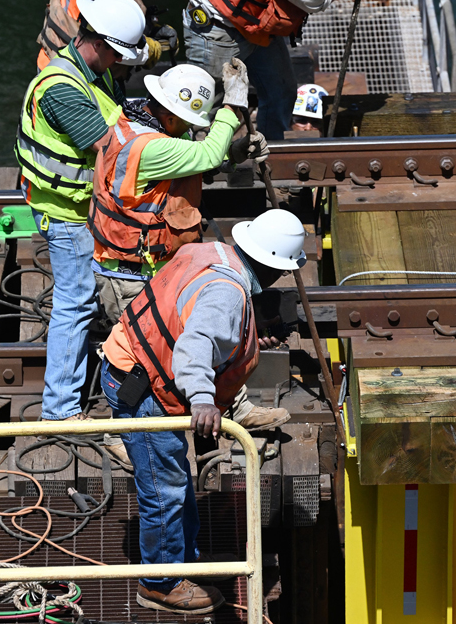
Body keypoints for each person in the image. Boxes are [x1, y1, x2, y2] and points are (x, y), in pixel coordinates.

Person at [99, 208, 307, 614]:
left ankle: (182, 562)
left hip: (135, 364)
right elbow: (193, 347)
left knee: (174, 475)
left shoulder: (211, 252)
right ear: (273, 267)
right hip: (143, 384)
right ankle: (160, 584)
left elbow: (189, 315)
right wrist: (203, 400)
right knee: (164, 487)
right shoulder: (227, 293)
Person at [90, 58, 289, 465]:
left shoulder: (139, 124)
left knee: (203, 332)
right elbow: (202, 154)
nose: (187, 126)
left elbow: (198, 162)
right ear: (166, 110)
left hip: (156, 263)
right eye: (185, 119)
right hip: (130, 271)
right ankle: (118, 431)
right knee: (144, 352)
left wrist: (234, 153)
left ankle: (236, 406)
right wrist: (233, 107)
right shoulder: (150, 145)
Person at [15, 0, 145, 424]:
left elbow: (118, 118)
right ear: (101, 44)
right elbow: (110, 146)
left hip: (81, 205)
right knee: (76, 303)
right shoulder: (62, 88)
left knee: (83, 299)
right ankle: (60, 411)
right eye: (118, 55)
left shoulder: (91, 71)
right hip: (66, 212)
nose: (120, 64)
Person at [183, 0, 377, 139]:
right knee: (205, 109)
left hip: (253, 23)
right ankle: (205, 167)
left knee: (281, 93)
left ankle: (269, 154)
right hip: (218, 30)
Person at [37, 0, 179, 72]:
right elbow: (111, 44)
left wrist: (150, 31)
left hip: (63, 64)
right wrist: (149, 51)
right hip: (69, 73)